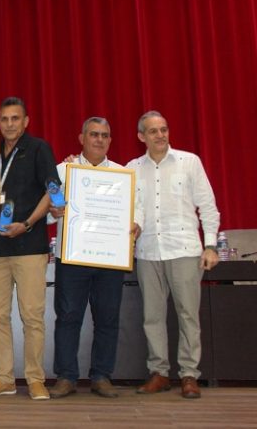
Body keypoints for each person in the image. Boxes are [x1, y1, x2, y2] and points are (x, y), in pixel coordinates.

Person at [47, 117, 142, 399]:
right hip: (72, 257)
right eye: (93, 134)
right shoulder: (63, 171)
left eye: (105, 135)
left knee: (108, 318)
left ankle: (101, 376)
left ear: (110, 140)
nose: (99, 140)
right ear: (81, 138)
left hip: (110, 258)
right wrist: (54, 211)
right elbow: (50, 207)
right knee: (67, 317)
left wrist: (136, 223)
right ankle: (66, 377)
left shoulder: (123, 174)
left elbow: (137, 209)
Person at [128, 110, 220, 399]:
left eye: (164, 129)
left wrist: (211, 244)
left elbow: (207, 205)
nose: (161, 135)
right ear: (141, 136)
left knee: (187, 315)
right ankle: (159, 373)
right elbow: (133, 210)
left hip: (184, 249)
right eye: (153, 131)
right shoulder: (132, 168)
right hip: (147, 251)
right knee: (152, 316)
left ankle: (189, 375)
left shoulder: (189, 162)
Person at [0, 97, 58, 400]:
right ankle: (4, 378)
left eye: (15, 118)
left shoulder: (39, 149)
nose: (9, 124)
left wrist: (27, 223)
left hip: (29, 244)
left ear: (26, 121)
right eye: (4, 119)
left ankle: (36, 379)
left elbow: (52, 189)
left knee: (32, 316)